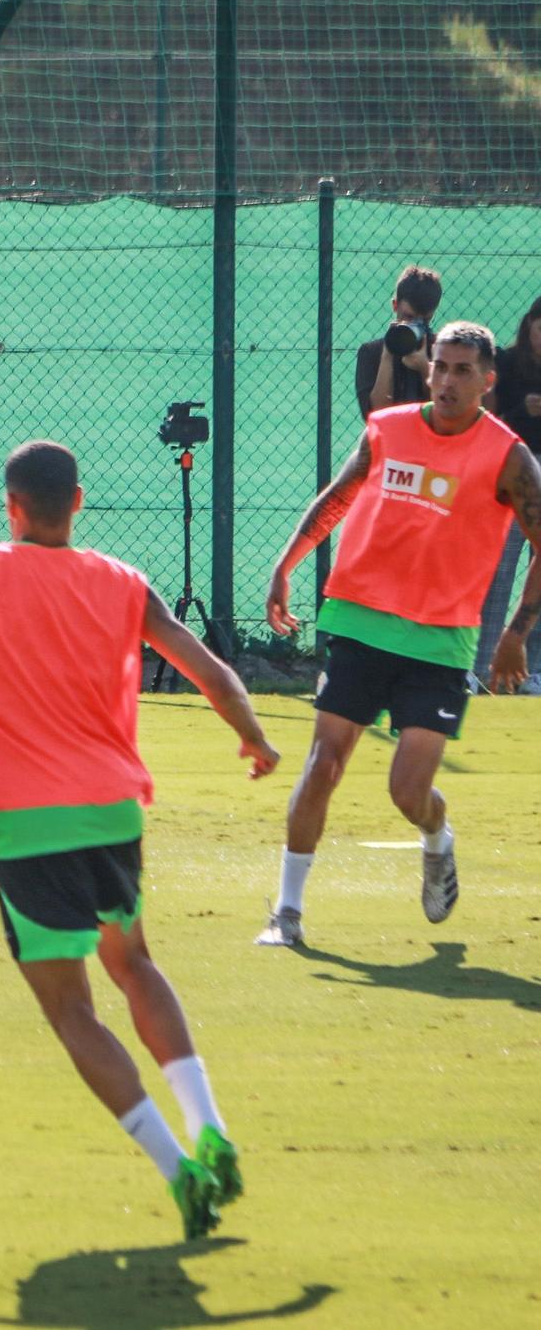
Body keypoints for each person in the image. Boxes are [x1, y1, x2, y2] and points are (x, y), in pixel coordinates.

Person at [0, 439, 279, 1242]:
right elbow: (213, 671)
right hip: (113, 811)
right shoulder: (123, 582)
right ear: (77, 501)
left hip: (26, 820)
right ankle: (210, 1123)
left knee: (72, 1009)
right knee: (135, 963)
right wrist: (253, 735)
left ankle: (178, 1170)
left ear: (10, 505)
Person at [261, 323, 541, 947]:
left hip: (441, 638)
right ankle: (287, 912)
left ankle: (437, 838)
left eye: (462, 371)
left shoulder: (507, 456)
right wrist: (287, 564)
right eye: (440, 367)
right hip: (360, 617)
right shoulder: (389, 429)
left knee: (407, 791)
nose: (446, 380)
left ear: (487, 380)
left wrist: (517, 632)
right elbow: (338, 496)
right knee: (324, 763)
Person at [476, 296, 541, 687]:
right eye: (540, 330)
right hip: (513, 474)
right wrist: (523, 412)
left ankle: (534, 672)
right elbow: (489, 421)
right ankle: (482, 668)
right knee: (498, 573)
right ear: (529, 325)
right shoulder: (506, 363)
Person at [354, 264, 440, 419]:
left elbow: (445, 412)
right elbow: (375, 416)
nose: (416, 325)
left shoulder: (441, 350)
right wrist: (388, 355)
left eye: (424, 320)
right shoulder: (372, 352)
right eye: (409, 317)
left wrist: (425, 368)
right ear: (395, 305)